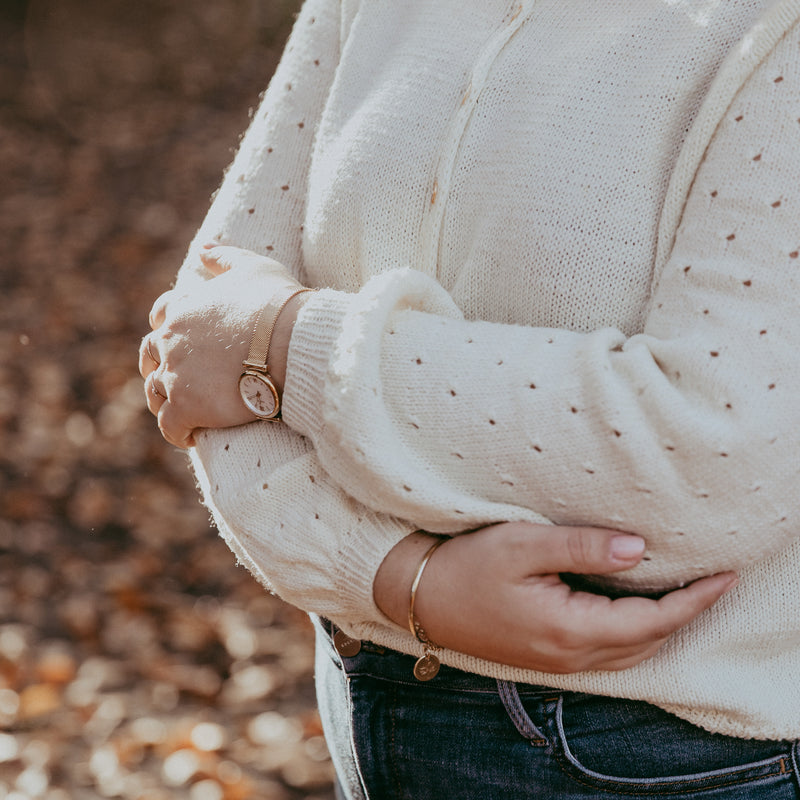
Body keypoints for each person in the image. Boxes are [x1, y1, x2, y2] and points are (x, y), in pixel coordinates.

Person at [140, 0, 800, 796]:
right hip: (363, 695)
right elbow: (199, 344)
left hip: (657, 751)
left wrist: (286, 348)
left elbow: (717, 454)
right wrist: (394, 577)